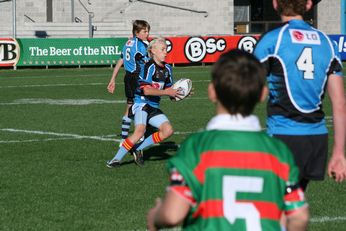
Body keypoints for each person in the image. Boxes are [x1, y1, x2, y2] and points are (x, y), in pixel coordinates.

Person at [147, 49, 309, 231]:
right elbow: (299, 216)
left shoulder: (197, 147)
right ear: (263, 94)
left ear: (212, 92)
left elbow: (172, 214)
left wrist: (154, 217)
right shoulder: (279, 151)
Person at [254, 0, 346, 191]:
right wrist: (339, 152)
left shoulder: (273, 39)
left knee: (270, 209)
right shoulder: (327, 42)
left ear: (275, 4)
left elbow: (245, 88)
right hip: (316, 139)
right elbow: (340, 104)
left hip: (282, 136)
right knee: (293, 203)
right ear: (309, 4)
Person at [107, 38, 183, 168]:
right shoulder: (149, 66)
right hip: (141, 103)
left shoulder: (168, 69)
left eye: (166, 50)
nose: (166, 52)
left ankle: (138, 149)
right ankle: (115, 160)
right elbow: (146, 91)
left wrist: (180, 94)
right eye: (162, 49)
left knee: (168, 130)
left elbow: (169, 91)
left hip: (153, 106)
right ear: (153, 51)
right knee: (139, 131)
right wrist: (168, 93)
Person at [107, 20, 150, 146]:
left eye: (147, 31)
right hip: (137, 78)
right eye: (144, 31)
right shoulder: (140, 46)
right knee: (143, 106)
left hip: (128, 78)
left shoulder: (128, 42)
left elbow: (121, 60)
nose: (147, 33)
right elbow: (147, 63)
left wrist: (113, 79)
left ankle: (123, 139)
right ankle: (140, 135)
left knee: (130, 106)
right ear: (137, 33)